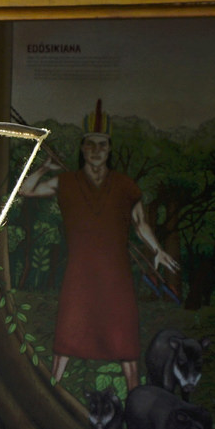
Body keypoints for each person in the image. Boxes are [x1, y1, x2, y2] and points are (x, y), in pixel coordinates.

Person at [15, 101, 178, 389]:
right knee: (69, 328)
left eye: (102, 145)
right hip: (80, 271)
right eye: (90, 144)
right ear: (83, 148)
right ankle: (54, 389)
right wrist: (44, 167)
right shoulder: (66, 181)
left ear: (109, 149)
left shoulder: (125, 185)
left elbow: (140, 223)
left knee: (123, 333)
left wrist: (157, 250)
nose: (96, 151)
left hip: (116, 273)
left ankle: (134, 394)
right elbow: (26, 190)